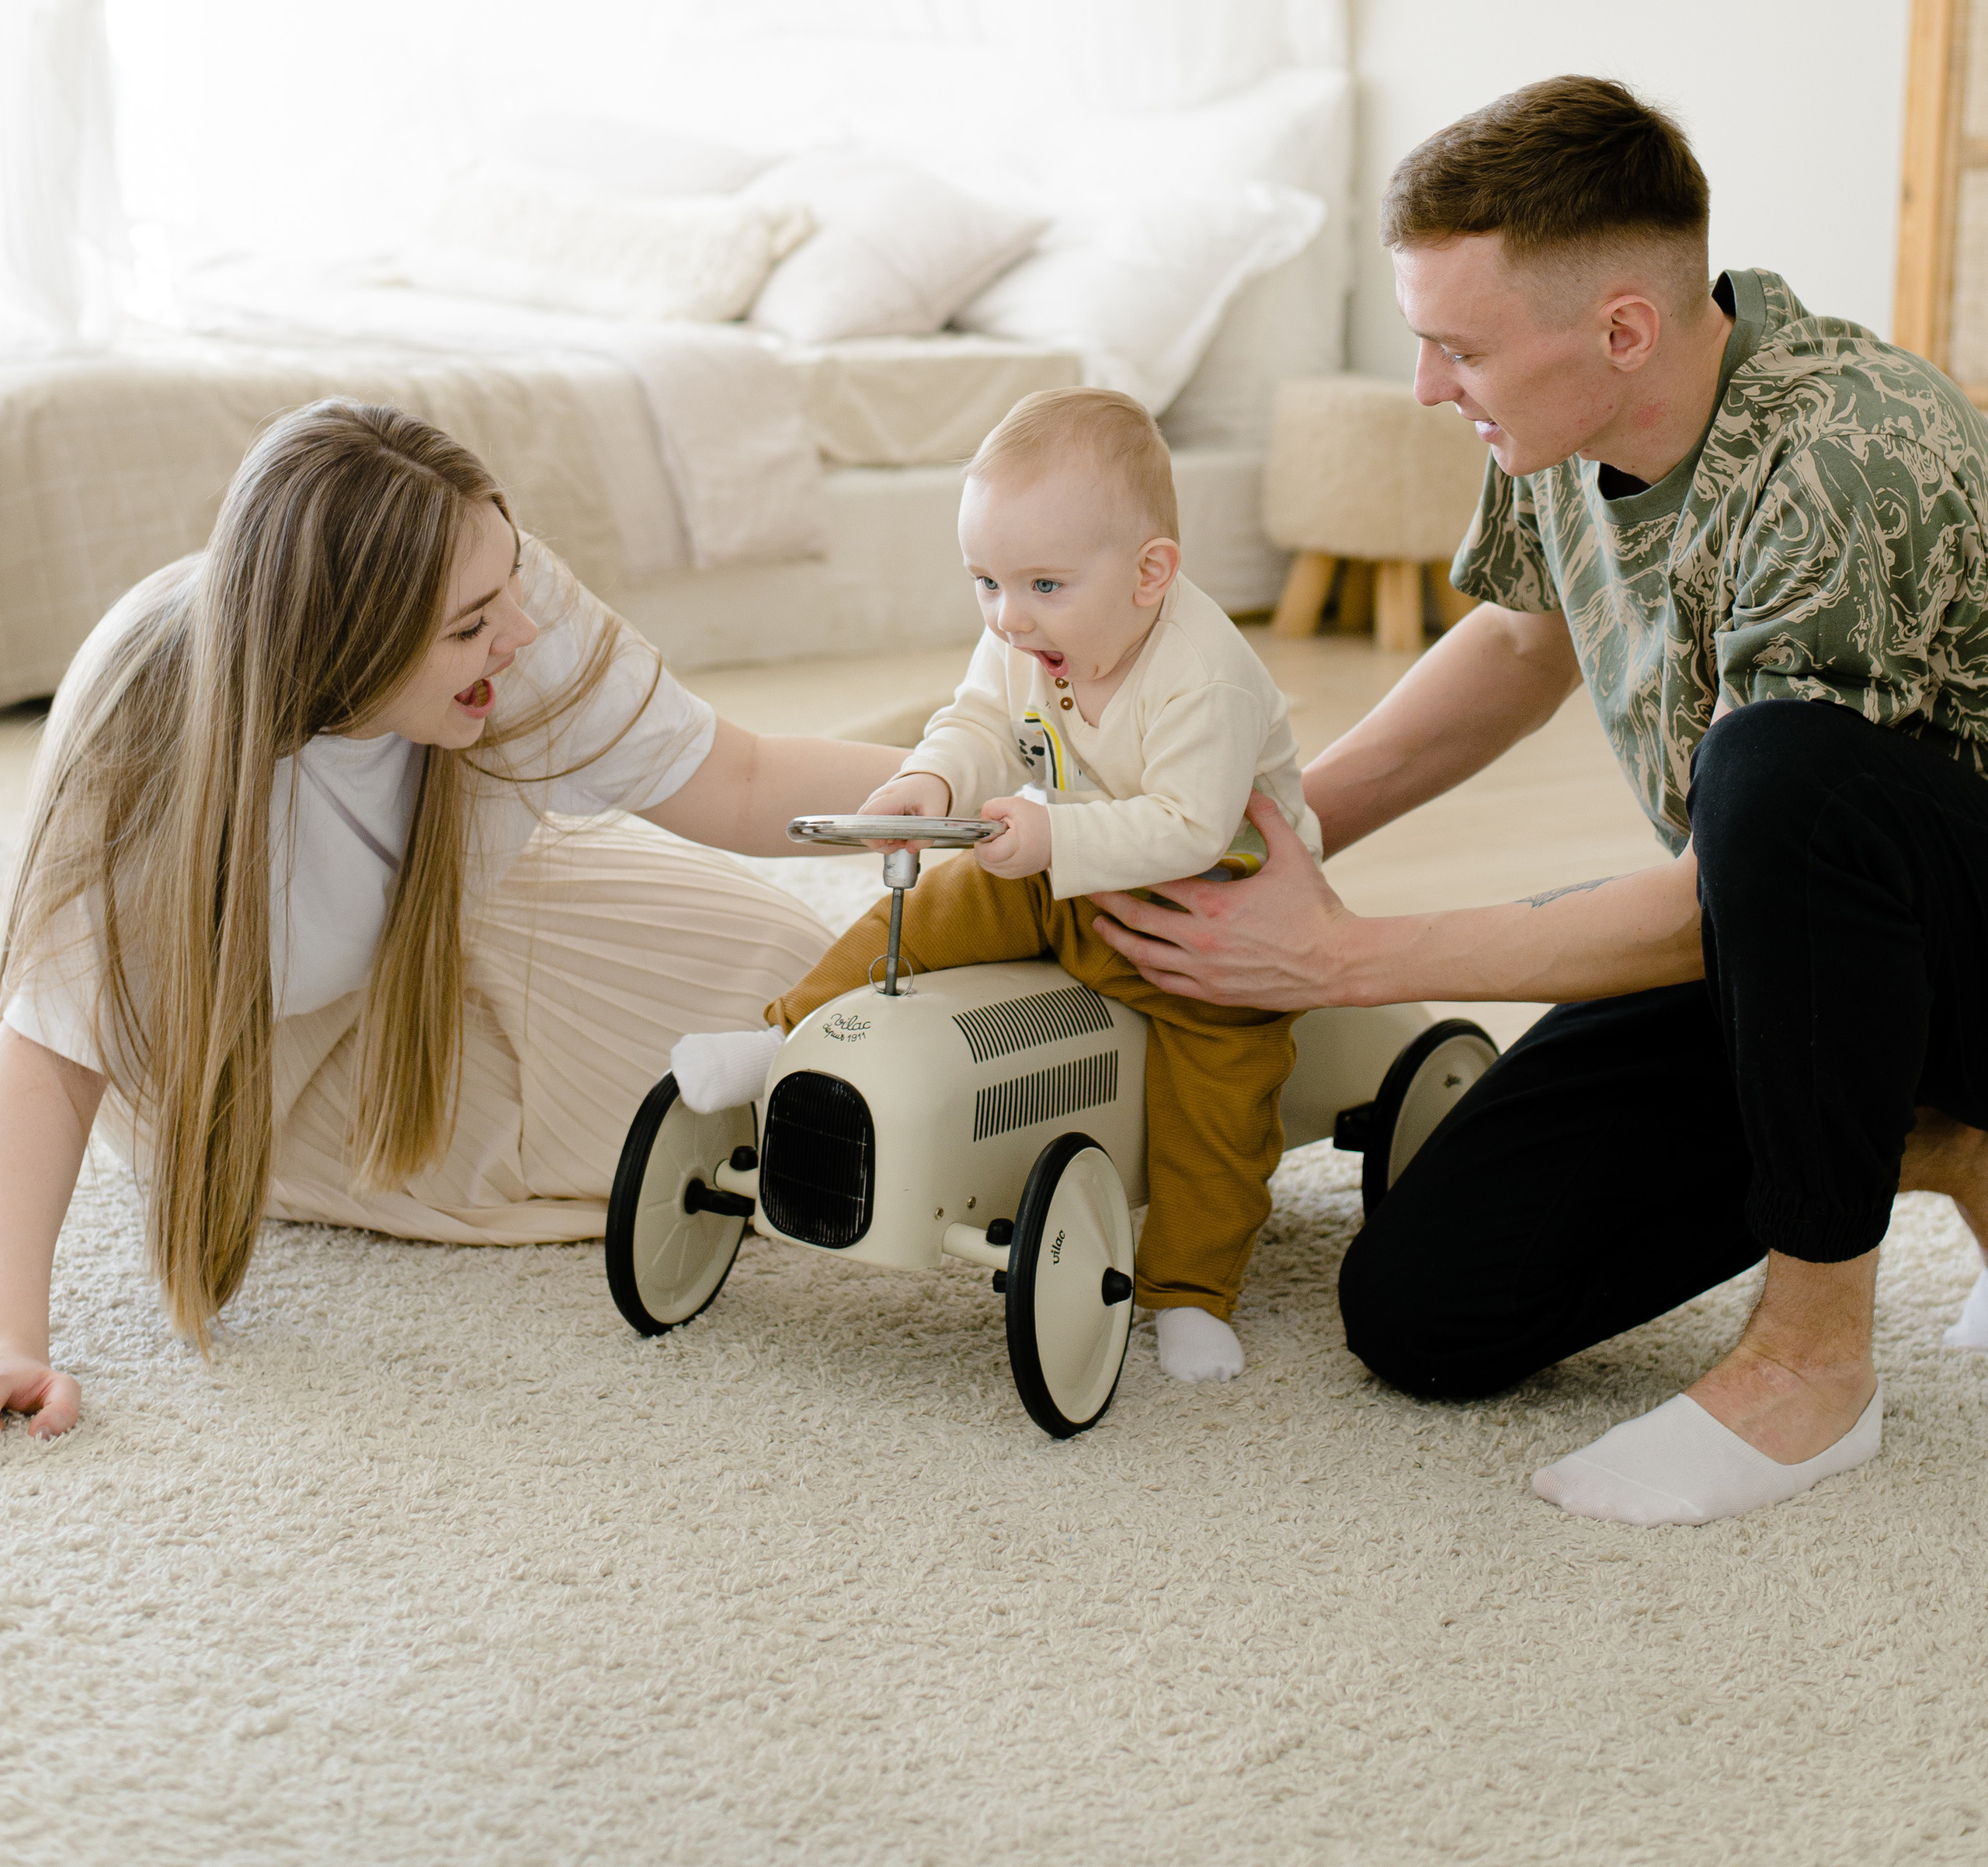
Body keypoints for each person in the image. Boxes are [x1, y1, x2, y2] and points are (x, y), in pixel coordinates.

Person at [1088, 76, 1988, 1526]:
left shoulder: (1850, 456)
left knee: (1778, 773)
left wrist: (1340, 956)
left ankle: (1816, 1364)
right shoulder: (1571, 429)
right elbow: (1521, 636)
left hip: (1935, 930)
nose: (1433, 386)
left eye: (1458, 348)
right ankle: (1935, 1134)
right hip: (1803, 951)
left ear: (1621, 327)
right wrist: (1263, 826)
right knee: (1425, 1309)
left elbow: (1750, 872)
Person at [0, 398, 908, 1442]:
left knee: (803, 1003)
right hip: (234, 1046)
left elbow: (740, 779)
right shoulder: (142, 740)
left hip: (431, 933)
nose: (519, 630)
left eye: (511, 577)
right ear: (344, 656)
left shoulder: (507, 611)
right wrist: (16, 1336)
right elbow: (52, 1048)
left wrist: (982, 791)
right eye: (471, 627)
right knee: (693, 1138)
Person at [672, 388, 1319, 1386]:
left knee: (1219, 1111)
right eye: (985, 582)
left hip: (1213, 923)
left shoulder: (1204, 677)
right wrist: (932, 778)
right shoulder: (1026, 636)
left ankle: (1190, 1290)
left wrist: (1054, 834)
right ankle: (786, 1036)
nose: (1009, 617)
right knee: (933, 905)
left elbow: (1190, 825)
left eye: (1043, 586)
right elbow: (979, 724)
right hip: (1075, 879)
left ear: (1152, 575)